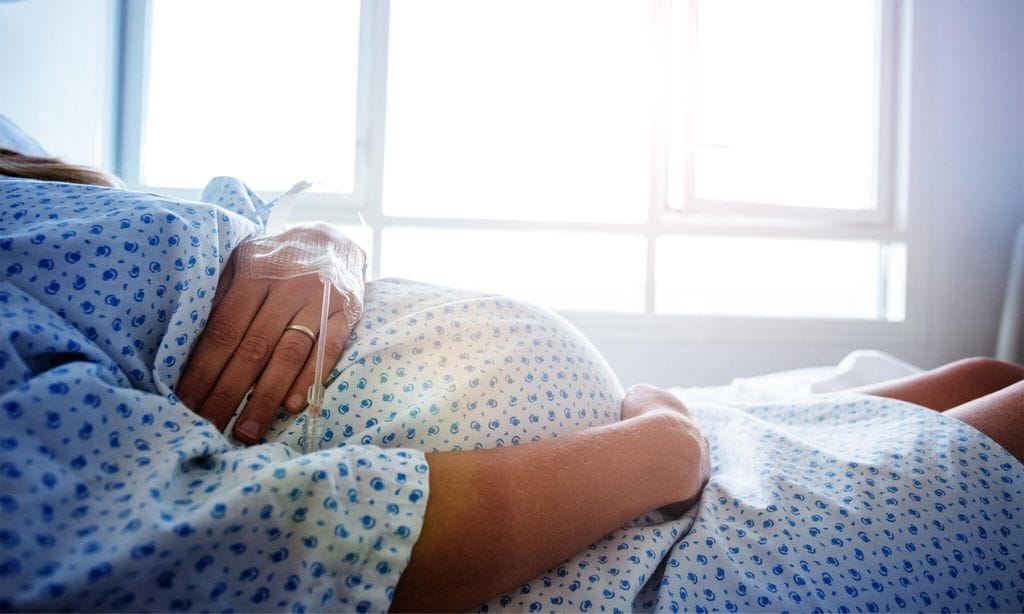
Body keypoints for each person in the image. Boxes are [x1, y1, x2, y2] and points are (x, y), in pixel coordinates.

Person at [1, 142, 1022, 612]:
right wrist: (653, 453)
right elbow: (273, 545)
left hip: (654, 462)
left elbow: (219, 240)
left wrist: (321, 246)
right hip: (640, 540)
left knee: (981, 370)